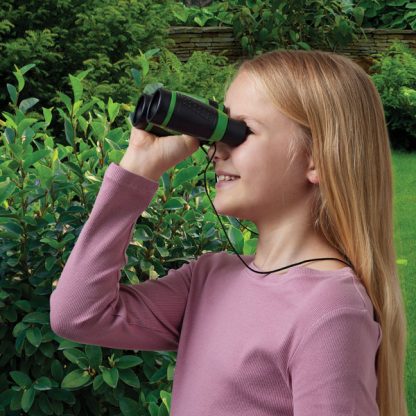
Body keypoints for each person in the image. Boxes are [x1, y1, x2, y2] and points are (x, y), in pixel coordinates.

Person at [50, 49, 408, 416]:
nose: (217, 149)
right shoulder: (210, 278)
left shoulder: (329, 310)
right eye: (219, 126)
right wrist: (138, 168)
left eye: (241, 131)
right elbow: (79, 314)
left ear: (316, 157)